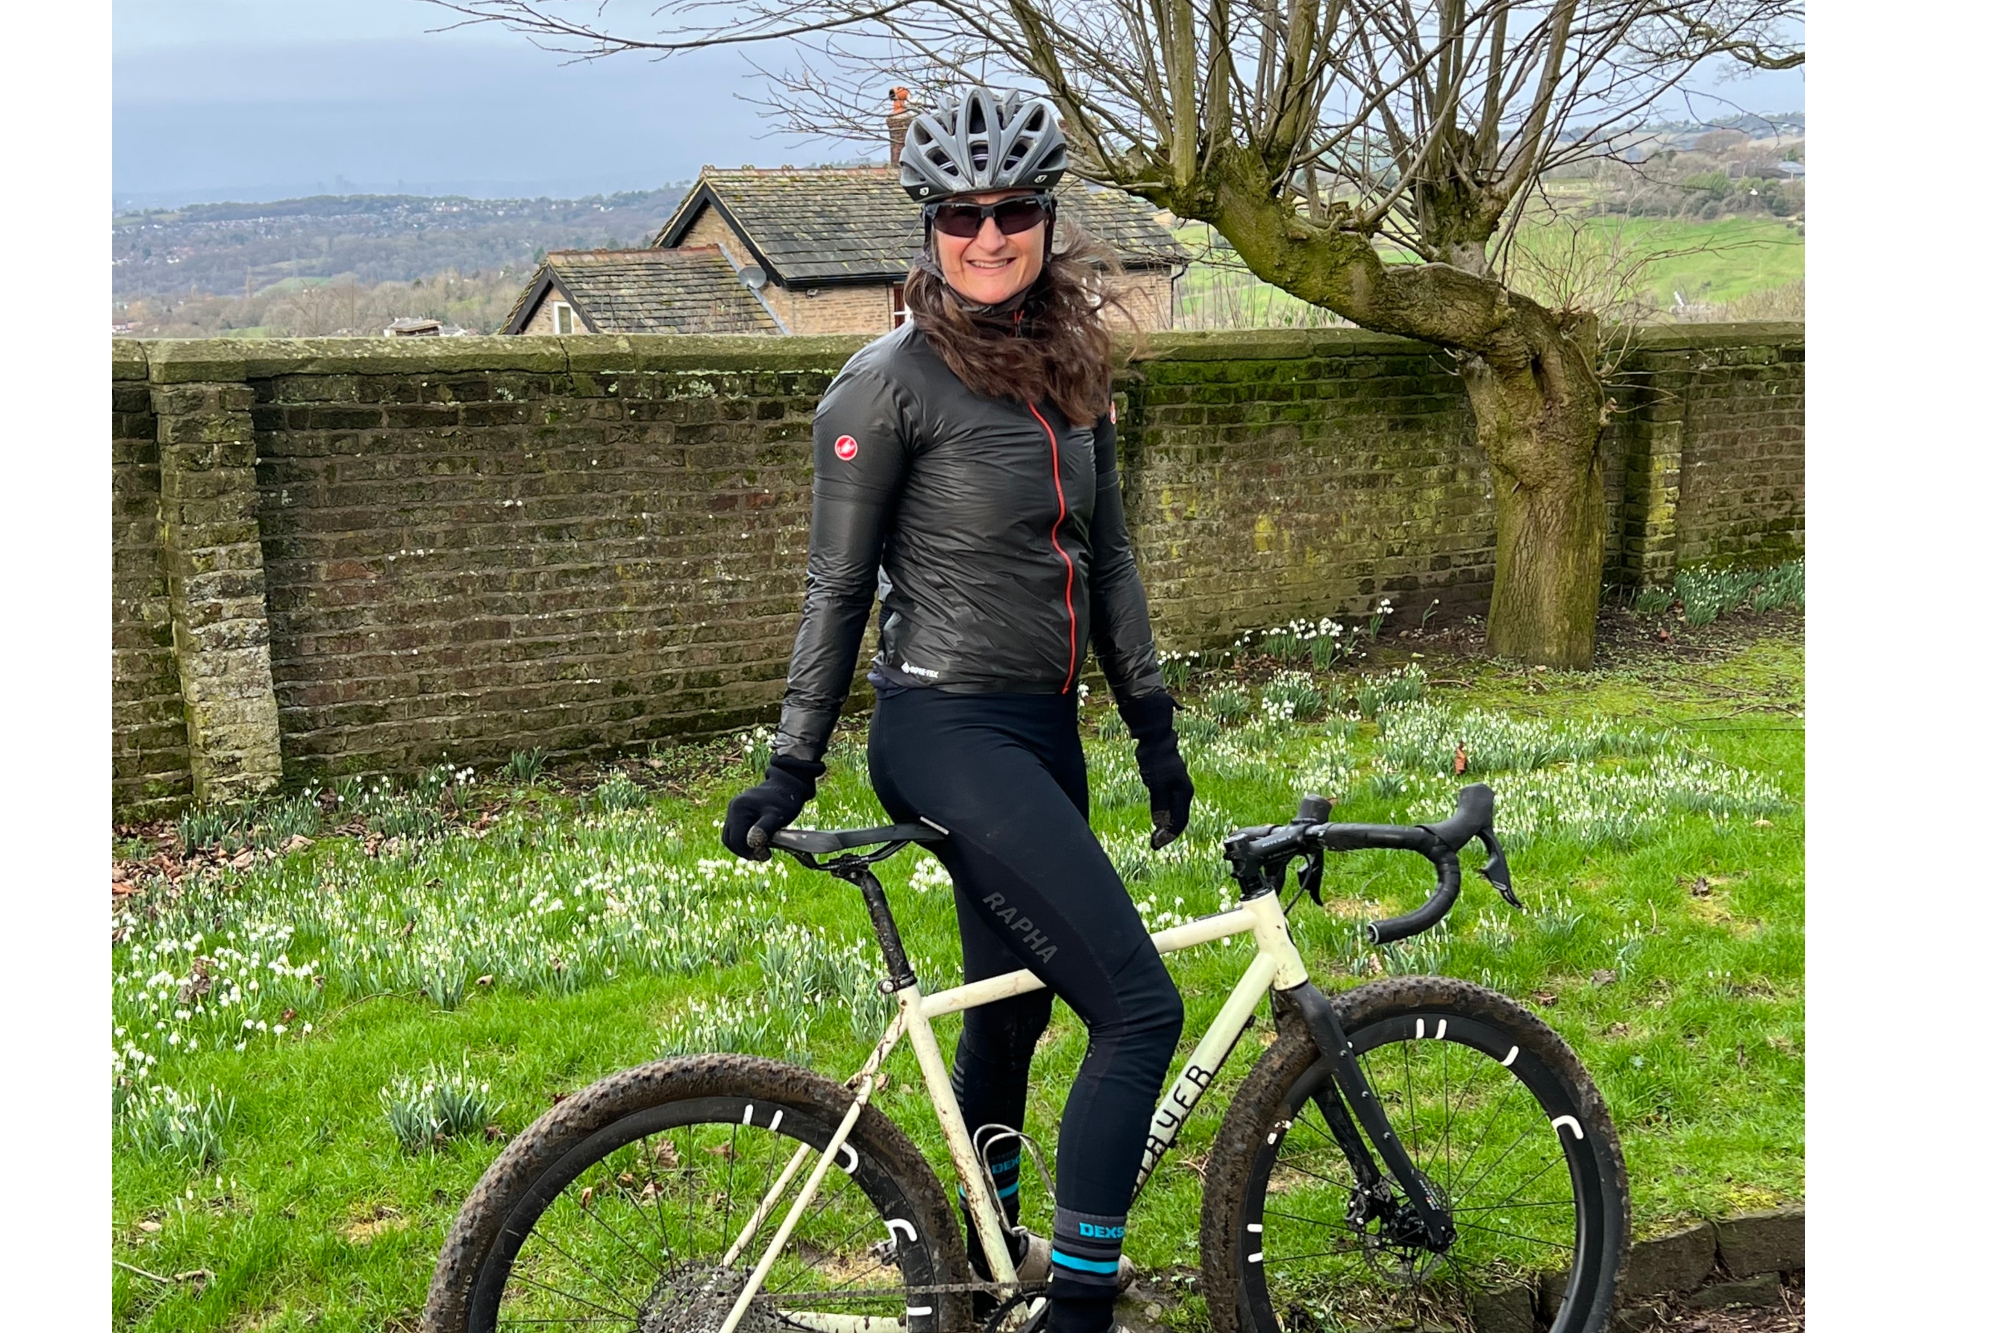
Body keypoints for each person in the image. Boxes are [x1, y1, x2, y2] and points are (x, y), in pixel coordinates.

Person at [721, 87, 1194, 1333]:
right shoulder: (883, 386)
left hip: (1042, 732)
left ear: (1047, 217)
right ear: (926, 229)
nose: (989, 236)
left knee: (1014, 1010)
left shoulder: (1076, 379)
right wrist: (789, 762)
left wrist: (1151, 725)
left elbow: (1114, 567)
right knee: (1139, 1010)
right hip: (943, 731)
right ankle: (1079, 1312)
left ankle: (985, 1270)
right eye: (962, 215)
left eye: (1014, 211)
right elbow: (834, 587)